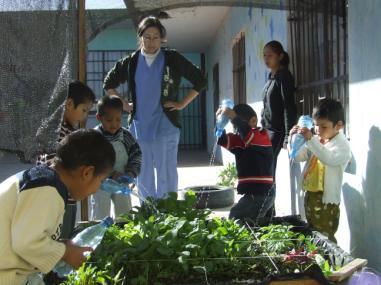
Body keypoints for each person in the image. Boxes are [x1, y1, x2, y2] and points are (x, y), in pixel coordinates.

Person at [103, 16, 207, 199]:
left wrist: (182, 103)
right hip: (139, 125)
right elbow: (109, 83)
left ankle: (168, 216)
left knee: (167, 173)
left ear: (162, 39)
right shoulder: (131, 62)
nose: (151, 42)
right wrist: (123, 104)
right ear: (140, 37)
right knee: (143, 173)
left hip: (166, 124)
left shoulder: (172, 58)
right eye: (147, 37)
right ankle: (148, 215)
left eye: (156, 37)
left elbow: (200, 79)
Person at [0, 129, 115, 285]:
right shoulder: (47, 188)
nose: (97, 189)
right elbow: (27, 243)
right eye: (101, 181)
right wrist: (66, 253)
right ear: (87, 172)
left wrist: (60, 246)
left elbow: (29, 234)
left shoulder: (46, 183)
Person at [35, 80, 96, 239]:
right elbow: (53, 166)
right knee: (59, 241)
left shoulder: (61, 128)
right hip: (58, 200)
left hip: (64, 198)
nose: (84, 116)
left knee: (64, 238)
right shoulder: (58, 132)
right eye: (83, 110)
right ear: (69, 104)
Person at [290, 98, 351, 242]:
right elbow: (298, 157)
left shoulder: (342, 145)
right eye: (316, 125)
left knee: (325, 236)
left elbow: (328, 158)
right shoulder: (317, 140)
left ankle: (330, 263)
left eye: (324, 127)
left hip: (326, 201)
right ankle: (318, 259)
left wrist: (311, 140)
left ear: (339, 126)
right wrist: (294, 138)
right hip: (311, 194)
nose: (318, 130)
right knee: (314, 232)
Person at [216, 103, 274, 224]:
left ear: (254, 121)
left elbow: (248, 135)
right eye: (234, 126)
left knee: (236, 217)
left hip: (262, 193)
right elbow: (222, 139)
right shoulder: (240, 139)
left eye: (238, 124)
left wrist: (234, 117)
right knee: (251, 221)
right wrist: (219, 122)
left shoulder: (261, 136)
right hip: (253, 193)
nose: (237, 129)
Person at [261, 40, 297, 217]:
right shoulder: (271, 77)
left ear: (280, 56)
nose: (266, 59)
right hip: (266, 131)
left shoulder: (284, 76)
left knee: (268, 174)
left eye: (270, 55)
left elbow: (288, 106)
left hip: (277, 132)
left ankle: (268, 214)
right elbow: (266, 106)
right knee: (265, 172)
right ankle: (267, 211)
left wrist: (287, 136)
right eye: (264, 55)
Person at [91, 95, 142, 220]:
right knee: (100, 212)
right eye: (109, 120)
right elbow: (91, 160)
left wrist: (131, 173)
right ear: (99, 118)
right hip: (100, 184)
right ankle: (100, 236)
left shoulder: (126, 136)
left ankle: (124, 234)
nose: (114, 124)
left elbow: (136, 154)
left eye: (118, 120)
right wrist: (110, 173)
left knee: (125, 213)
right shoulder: (94, 137)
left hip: (122, 182)